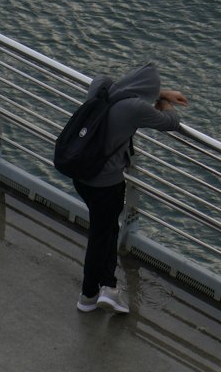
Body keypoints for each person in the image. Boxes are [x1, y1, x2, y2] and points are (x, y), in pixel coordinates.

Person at [73, 62, 188, 314]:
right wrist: (164, 102)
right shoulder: (134, 108)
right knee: (102, 235)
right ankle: (91, 294)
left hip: (82, 174)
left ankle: (106, 287)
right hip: (107, 183)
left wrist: (158, 92)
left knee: (105, 230)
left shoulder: (102, 90)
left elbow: (104, 78)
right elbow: (170, 122)